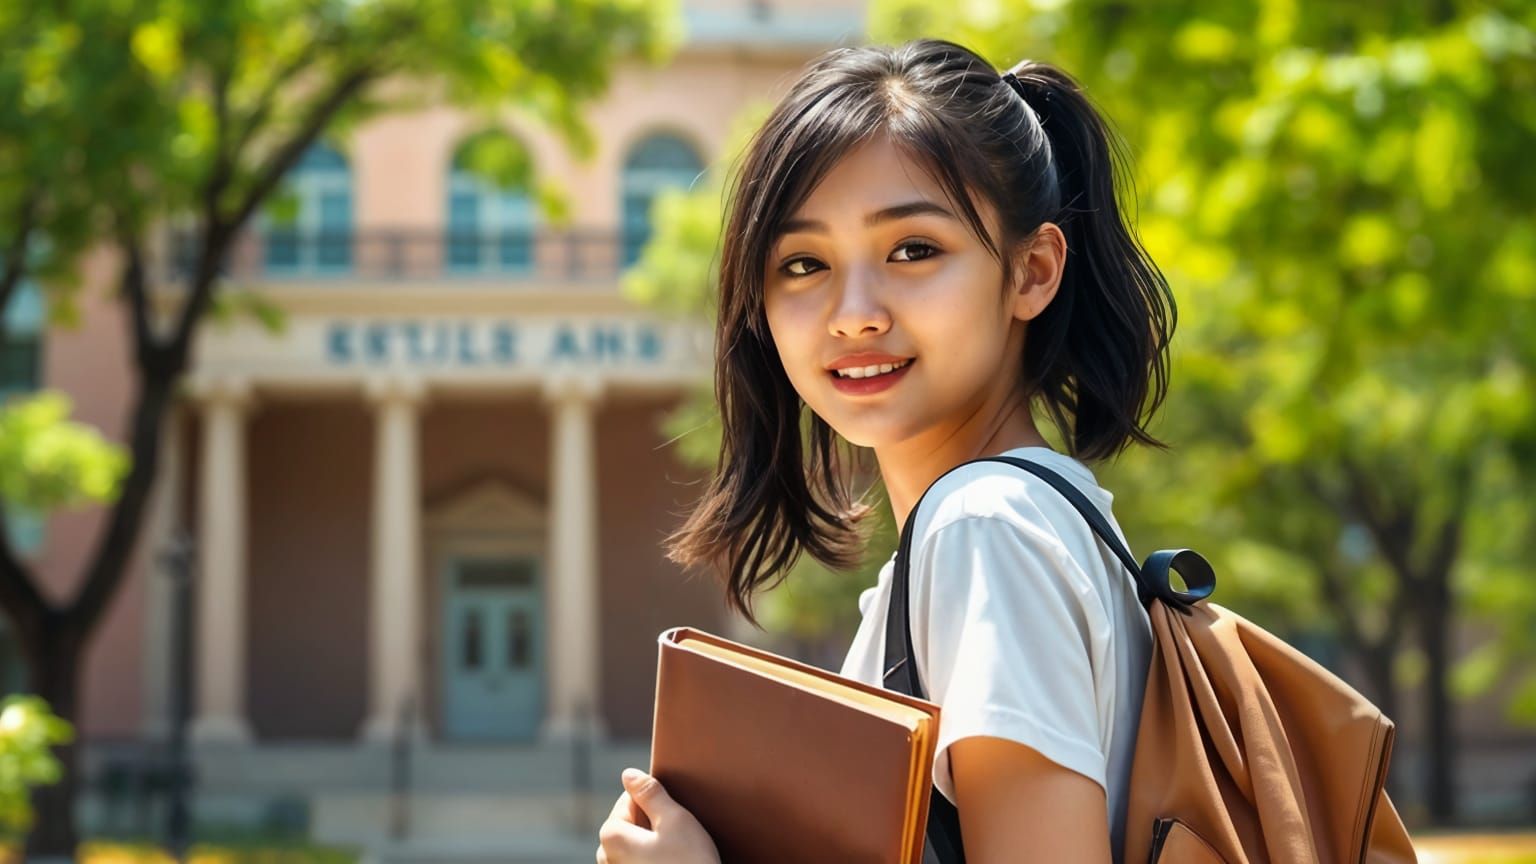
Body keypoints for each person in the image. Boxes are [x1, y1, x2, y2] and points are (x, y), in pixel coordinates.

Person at [596, 36, 1175, 864]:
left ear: (1032, 271)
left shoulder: (989, 532)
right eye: (802, 263)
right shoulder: (987, 537)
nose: (853, 312)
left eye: (913, 250)